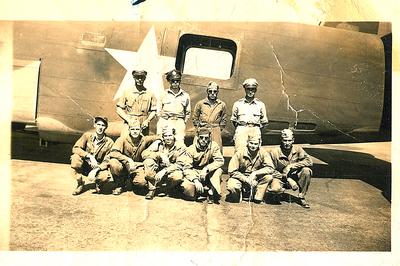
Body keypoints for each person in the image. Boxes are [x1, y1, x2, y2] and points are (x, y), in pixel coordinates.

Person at [226, 134, 283, 203]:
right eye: (251, 143)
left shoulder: (263, 153)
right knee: (232, 185)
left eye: (256, 144)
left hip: (256, 178)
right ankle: (239, 197)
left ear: (259, 144)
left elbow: (270, 168)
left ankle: (258, 196)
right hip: (241, 177)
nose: (253, 146)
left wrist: (255, 173)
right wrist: (246, 179)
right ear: (247, 143)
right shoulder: (240, 153)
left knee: (268, 177)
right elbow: (232, 171)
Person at [108, 119, 159, 195]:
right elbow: (113, 153)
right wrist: (128, 160)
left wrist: (159, 141)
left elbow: (159, 137)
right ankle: (120, 184)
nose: (135, 131)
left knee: (141, 183)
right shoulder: (122, 139)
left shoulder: (144, 139)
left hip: (137, 167)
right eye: (132, 129)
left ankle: (133, 181)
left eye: (137, 129)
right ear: (129, 130)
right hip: (124, 166)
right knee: (114, 163)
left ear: (141, 130)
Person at [178, 127, 224, 204]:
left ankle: (211, 193)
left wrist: (206, 168)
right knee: (188, 190)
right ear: (197, 137)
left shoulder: (214, 146)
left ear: (209, 138)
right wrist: (195, 180)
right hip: (195, 172)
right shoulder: (191, 149)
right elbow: (186, 168)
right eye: (201, 137)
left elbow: (220, 161)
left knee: (218, 170)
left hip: (207, 173)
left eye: (206, 138)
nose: (203, 140)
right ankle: (197, 191)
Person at [269, 128, 313, 208]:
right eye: (285, 140)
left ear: (293, 140)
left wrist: (291, 166)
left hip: (294, 176)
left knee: (306, 171)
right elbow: (270, 169)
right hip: (279, 178)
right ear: (281, 140)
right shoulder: (274, 151)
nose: (287, 143)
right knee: (275, 189)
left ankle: (301, 197)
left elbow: (309, 161)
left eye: (289, 140)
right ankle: (277, 194)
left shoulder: (298, 149)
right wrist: (287, 178)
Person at [70, 116, 114, 195]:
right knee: (75, 158)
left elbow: (108, 160)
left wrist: (96, 169)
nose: (100, 127)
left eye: (103, 125)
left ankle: (98, 184)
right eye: (98, 124)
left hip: (97, 168)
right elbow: (76, 148)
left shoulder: (109, 142)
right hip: (85, 166)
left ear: (106, 127)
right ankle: (80, 183)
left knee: (105, 176)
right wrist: (89, 156)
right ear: (94, 125)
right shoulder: (87, 136)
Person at [141, 126, 187, 200]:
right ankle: (152, 189)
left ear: (174, 136)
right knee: (148, 161)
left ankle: (167, 189)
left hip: (171, 170)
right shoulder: (159, 143)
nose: (168, 138)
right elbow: (144, 153)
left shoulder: (180, 146)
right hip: (158, 169)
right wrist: (160, 155)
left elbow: (180, 164)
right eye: (165, 136)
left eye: (170, 135)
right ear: (163, 137)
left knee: (177, 176)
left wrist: (164, 171)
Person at [231, 78, 268, 151]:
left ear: (256, 90)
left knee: (255, 152)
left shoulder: (260, 105)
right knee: (240, 151)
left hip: (255, 130)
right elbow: (234, 120)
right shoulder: (237, 104)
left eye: (253, 89)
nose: (250, 91)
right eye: (248, 89)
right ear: (245, 89)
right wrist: (242, 127)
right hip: (242, 129)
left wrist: (255, 128)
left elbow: (264, 122)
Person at [116, 70, 157, 136]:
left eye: (142, 77)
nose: (140, 79)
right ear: (134, 78)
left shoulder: (150, 93)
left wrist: (147, 120)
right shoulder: (127, 92)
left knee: (143, 143)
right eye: (137, 77)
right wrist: (128, 120)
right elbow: (119, 109)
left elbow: (154, 111)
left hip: (143, 123)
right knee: (125, 140)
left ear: (145, 78)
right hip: (130, 121)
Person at [157, 69, 191, 144]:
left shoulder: (185, 95)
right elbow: (158, 110)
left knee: (179, 144)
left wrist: (182, 122)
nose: (175, 83)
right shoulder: (163, 94)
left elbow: (188, 112)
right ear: (169, 81)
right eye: (173, 81)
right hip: (166, 121)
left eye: (177, 80)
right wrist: (162, 122)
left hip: (179, 122)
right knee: (164, 143)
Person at [192, 81, 227, 149]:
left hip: (215, 129)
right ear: (207, 91)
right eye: (210, 91)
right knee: (198, 149)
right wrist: (199, 128)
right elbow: (195, 117)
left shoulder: (222, 104)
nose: (212, 93)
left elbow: (224, 119)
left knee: (216, 149)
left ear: (217, 92)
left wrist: (218, 129)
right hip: (203, 129)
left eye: (215, 91)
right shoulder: (200, 103)